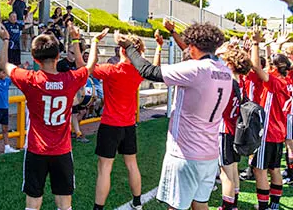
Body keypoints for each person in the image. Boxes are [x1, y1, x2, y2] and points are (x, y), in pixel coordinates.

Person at [115, 22, 232, 210]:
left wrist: (128, 46)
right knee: (201, 204)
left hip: (186, 154)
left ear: (193, 47)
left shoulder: (196, 69)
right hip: (209, 153)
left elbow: (148, 71)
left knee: (176, 207)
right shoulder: (225, 71)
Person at [0, 19, 108, 210]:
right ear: (58, 56)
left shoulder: (30, 79)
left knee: (33, 202)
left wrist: (6, 39)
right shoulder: (70, 79)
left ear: (34, 57)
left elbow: (3, 64)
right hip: (62, 151)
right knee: (64, 204)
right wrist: (79, 40)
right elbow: (89, 67)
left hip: (36, 150)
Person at [92, 38, 144, 210]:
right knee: (132, 164)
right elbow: (152, 68)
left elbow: (85, 66)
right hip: (128, 125)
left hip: (110, 125)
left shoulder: (111, 70)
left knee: (105, 169)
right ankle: (137, 202)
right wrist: (158, 47)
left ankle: (98, 208)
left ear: (122, 51)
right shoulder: (138, 71)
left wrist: (90, 42)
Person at [250, 28, 291, 210]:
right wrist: (276, 45)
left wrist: (256, 43)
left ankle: (263, 206)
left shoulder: (274, 81)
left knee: (260, 170)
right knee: (274, 169)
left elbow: (256, 67)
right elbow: (265, 68)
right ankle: (274, 205)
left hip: (267, 132)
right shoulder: (286, 80)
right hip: (278, 131)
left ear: (274, 68)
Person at [217, 49, 252, 210]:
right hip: (236, 130)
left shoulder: (227, 82)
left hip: (225, 130)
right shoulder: (242, 82)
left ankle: (227, 206)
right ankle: (234, 203)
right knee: (234, 169)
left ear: (230, 64)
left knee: (226, 174)